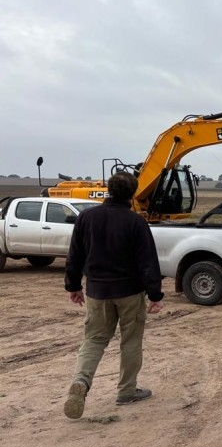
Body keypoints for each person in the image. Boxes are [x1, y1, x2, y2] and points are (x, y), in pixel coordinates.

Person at [63, 171, 164, 420]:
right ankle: (126, 391)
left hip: (97, 291)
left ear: (109, 190)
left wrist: (73, 286)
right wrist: (155, 294)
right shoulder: (136, 223)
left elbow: (74, 255)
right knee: (130, 341)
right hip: (130, 292)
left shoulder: (86, 218)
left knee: (94, 340)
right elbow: (147, 261)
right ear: (132, 194)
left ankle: (81, 382)